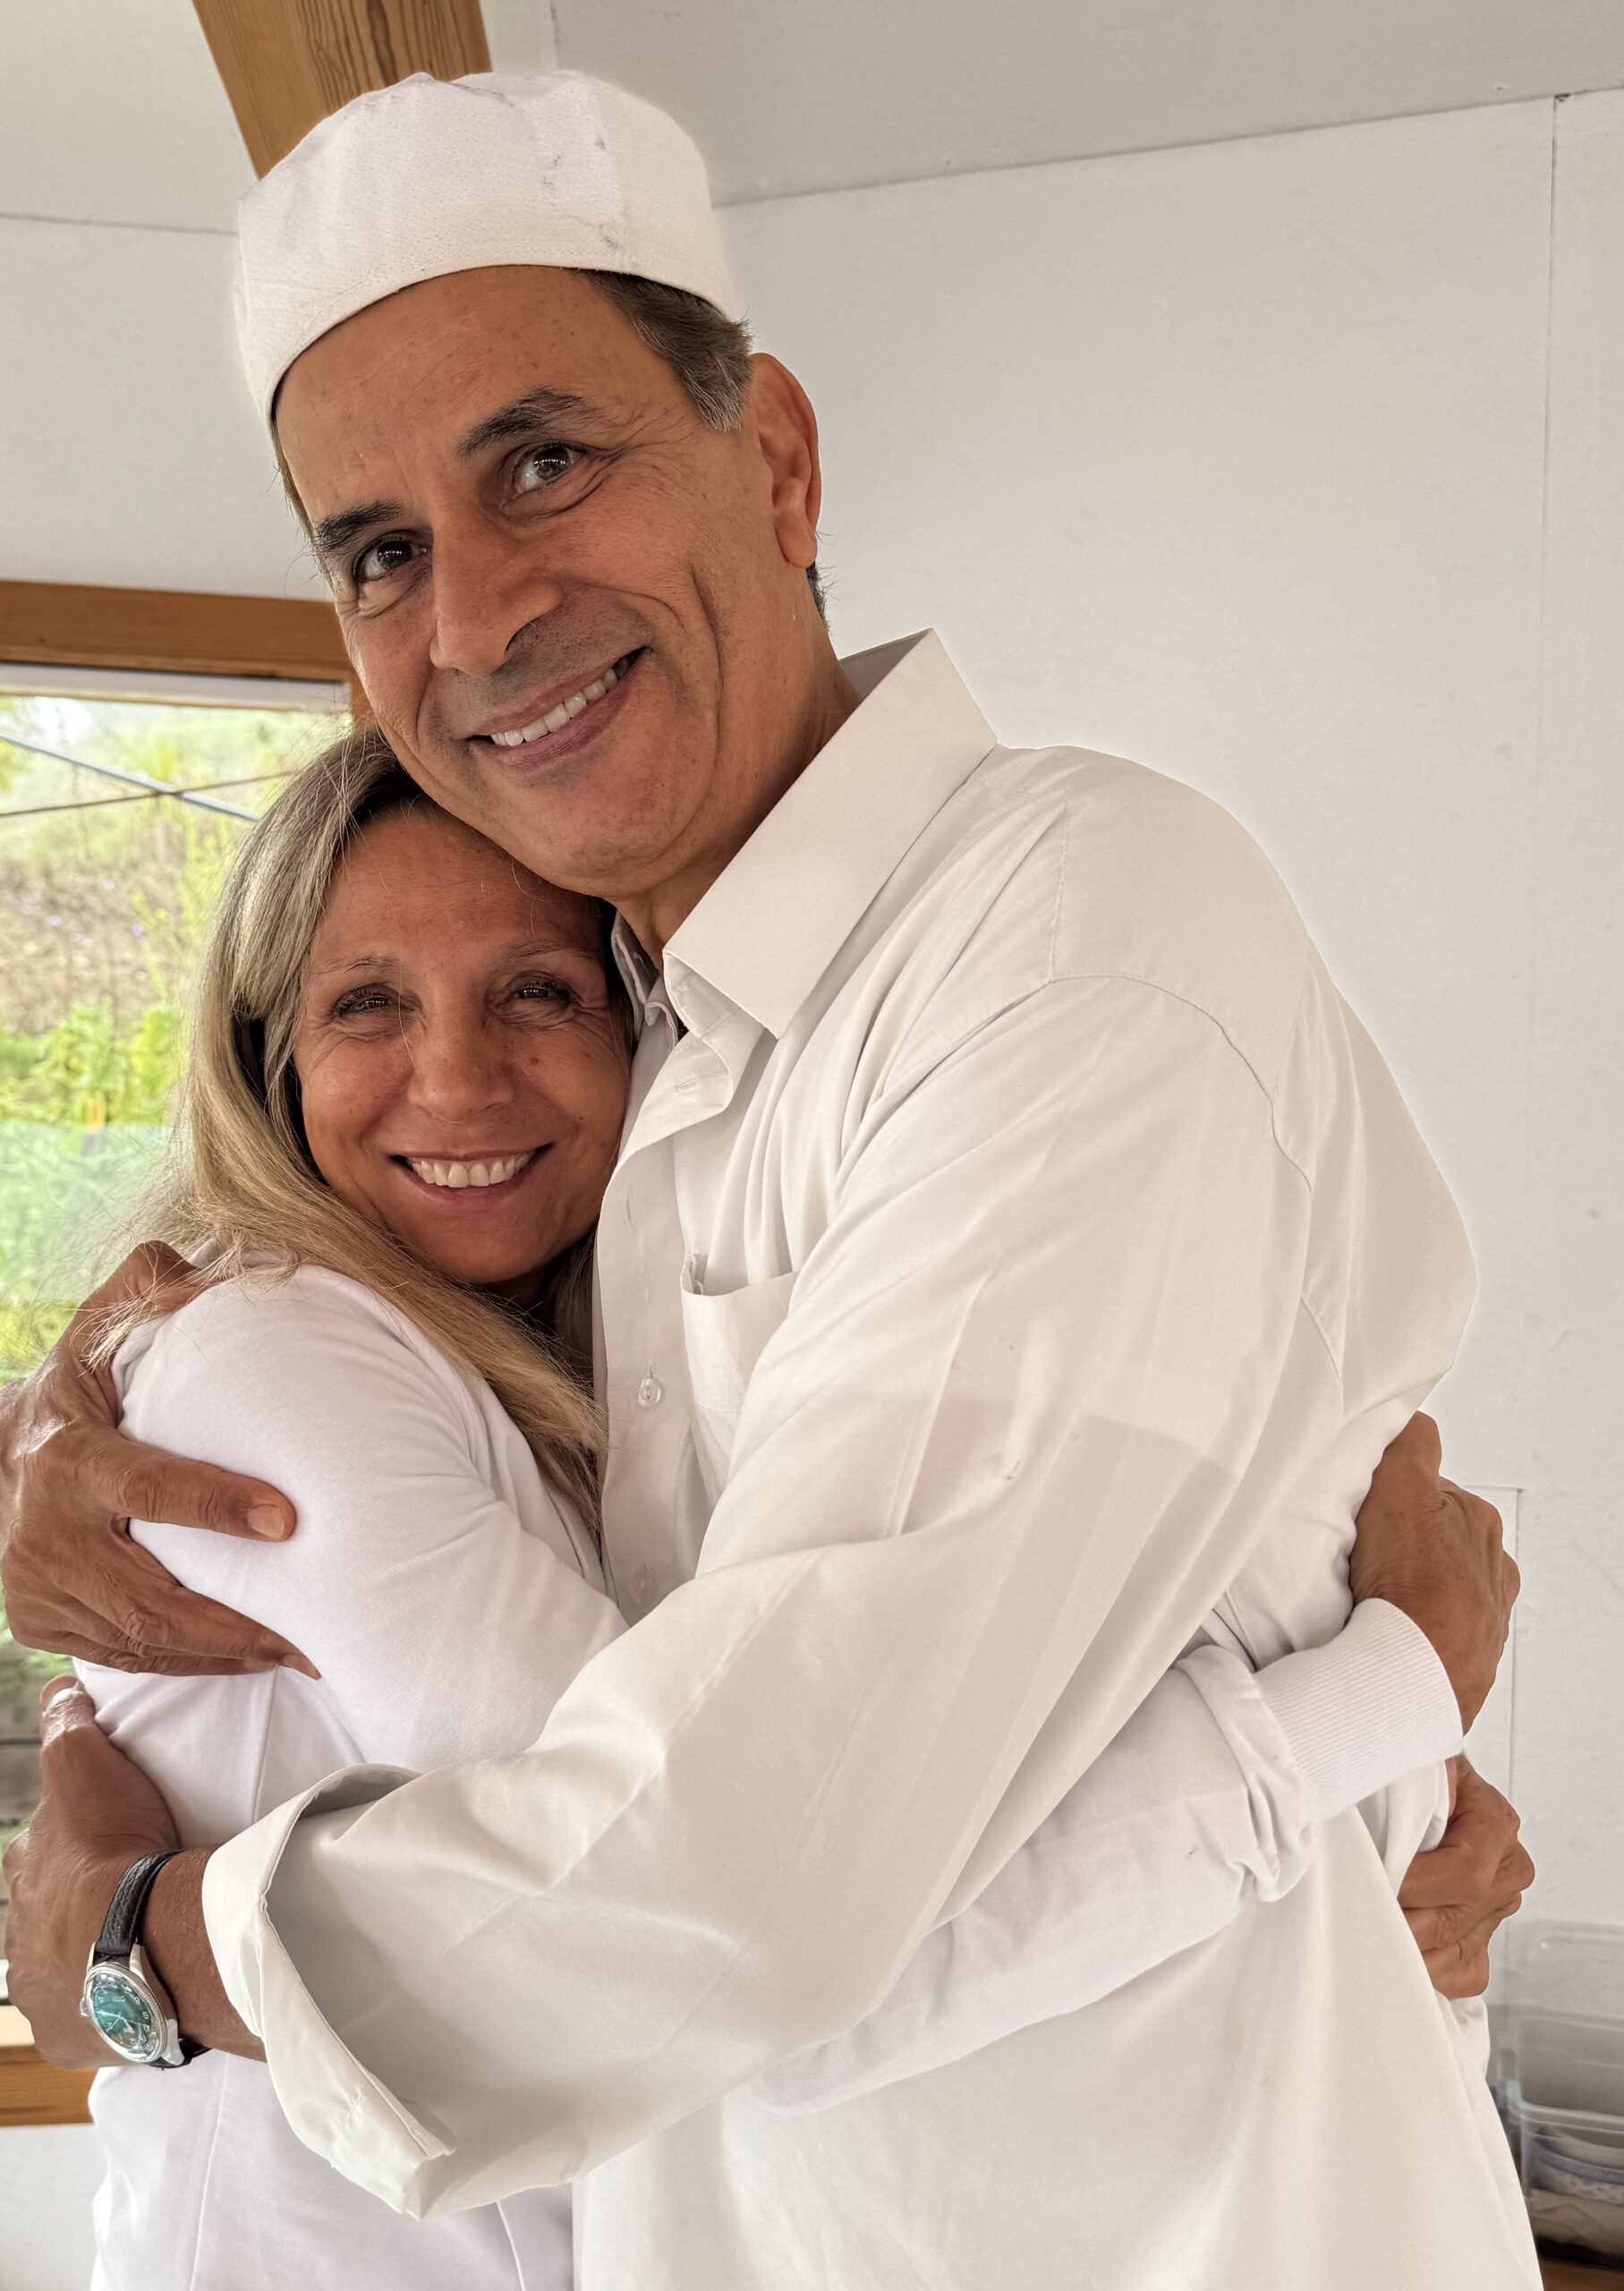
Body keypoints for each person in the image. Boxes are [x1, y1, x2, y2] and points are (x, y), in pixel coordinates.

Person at [2, 70, 1538, 2289]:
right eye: (378, 553)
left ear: (781, 459)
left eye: (544, 461)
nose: (475, 616)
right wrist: (82, 1486)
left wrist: (142, 1950)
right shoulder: (670, 1065)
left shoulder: (1073, 927)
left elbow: (737, 1891)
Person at [60, 730, 1517, 2289]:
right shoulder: (280, 1360)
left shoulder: (548, 1366)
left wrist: (1389, 1816)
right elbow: (708, 1942)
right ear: (266, 1054)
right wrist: (1381, 1693)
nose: (460, 1077)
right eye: (367, 1004)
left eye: (538, 991)